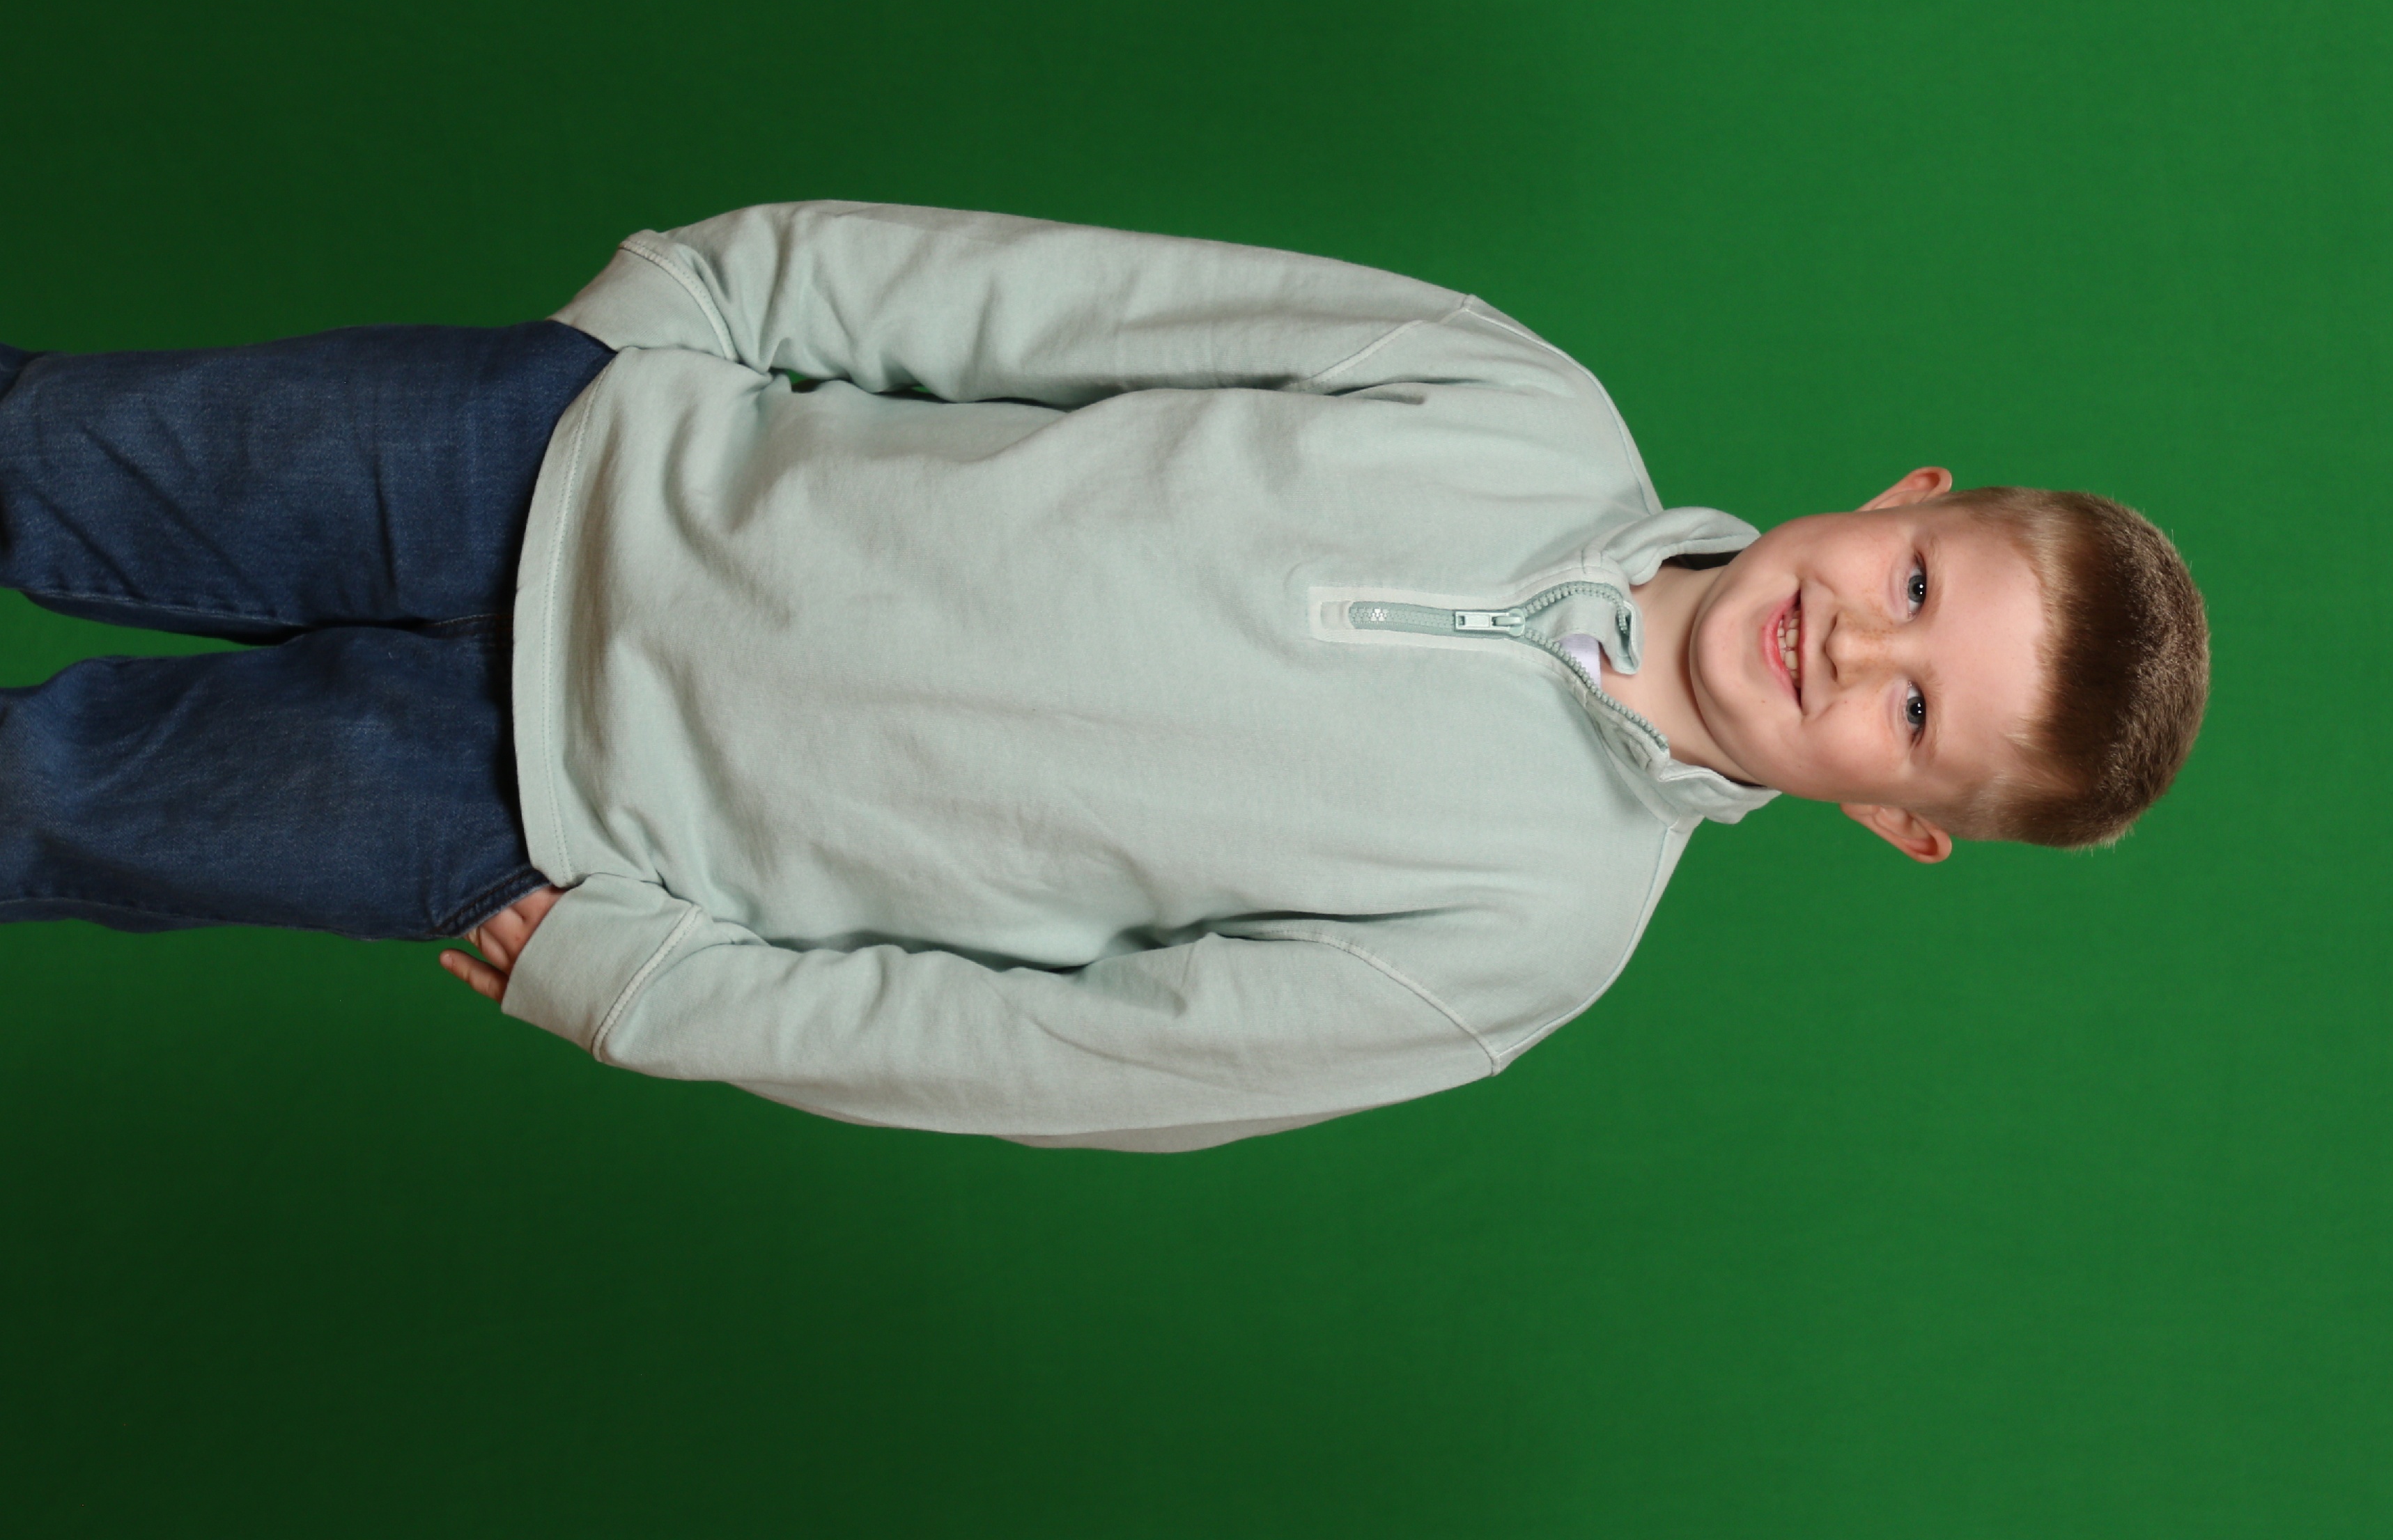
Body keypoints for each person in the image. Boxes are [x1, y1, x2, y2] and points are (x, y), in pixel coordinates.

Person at [0, 201, 2208, 1151]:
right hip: (559, 461)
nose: (1858, 642)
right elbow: (1052, 309)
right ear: (1907, 496)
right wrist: (708, 298)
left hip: (549, 810)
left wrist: (638, 985)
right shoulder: (1516, 404)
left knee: (40, 811)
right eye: (1919, 583)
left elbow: (1051, 1058)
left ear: (1902, 819)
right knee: (42, 450)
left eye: (1918, 712)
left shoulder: (1525, 943)